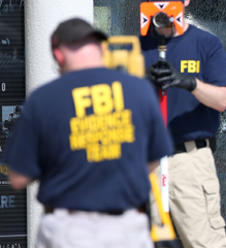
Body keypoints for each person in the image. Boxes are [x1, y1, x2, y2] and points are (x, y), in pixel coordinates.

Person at [4, 18, 173, 248]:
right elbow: (154, 158)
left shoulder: (44, 99)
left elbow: (18, 177)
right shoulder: (139, 90)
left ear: (59, 56)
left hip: (69, 232)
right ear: (100, 48)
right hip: (128, 230)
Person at [141, 0, 226, 248]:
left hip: (190, 161)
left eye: (172, 2)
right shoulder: (137, 46)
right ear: (147, 0)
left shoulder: (206, 44)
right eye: (156, 1)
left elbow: (221, 100)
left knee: (203, 242)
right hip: (147, 162)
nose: (165, 10)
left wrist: (188, 83)